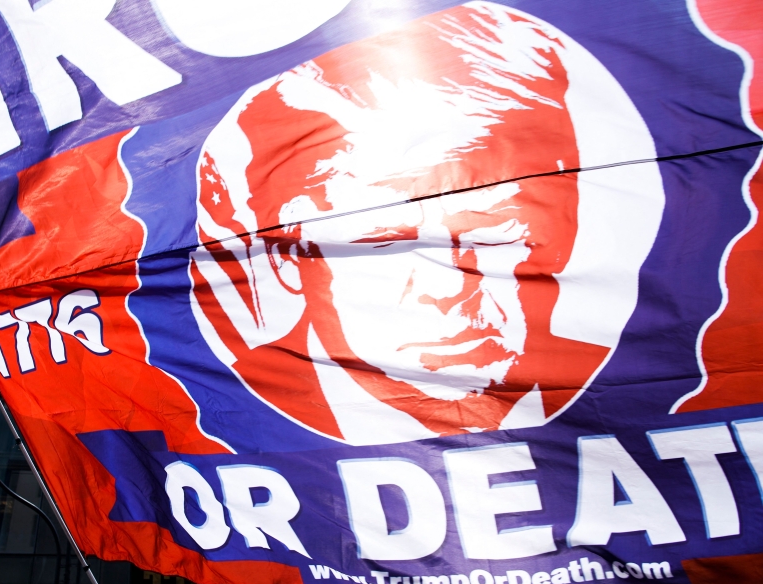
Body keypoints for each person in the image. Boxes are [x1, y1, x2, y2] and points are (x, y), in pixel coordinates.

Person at [190, 2, 663, 445]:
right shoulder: (232, 417)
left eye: (493, 236)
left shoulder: (637, 374)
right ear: (284, 264)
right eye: (388, 242)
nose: (450, 287)